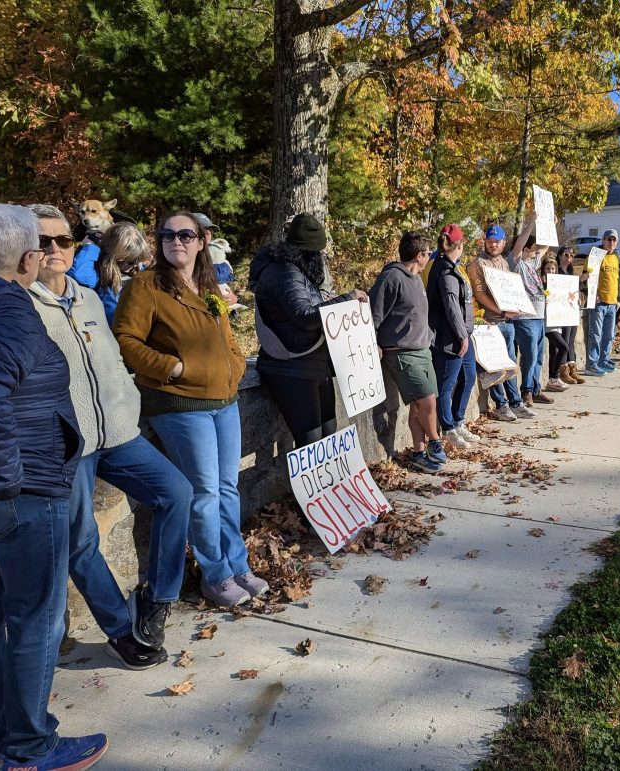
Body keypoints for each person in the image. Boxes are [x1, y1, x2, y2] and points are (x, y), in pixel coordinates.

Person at [0, 204, 108, 771]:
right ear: (29, 259)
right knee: (33, 616)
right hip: (16, 486)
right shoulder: (5, 310)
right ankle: (28, 746)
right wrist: (3, 483)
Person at [27, 203, 193, 669]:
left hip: (119, 433)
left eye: (64, 240)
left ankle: (156, 602)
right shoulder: (19, 303)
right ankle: (121, 629)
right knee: (79, 541)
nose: (56, 249)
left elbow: (114, 356)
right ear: (25, 249)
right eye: (44, 242)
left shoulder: (85, 296)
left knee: (176, 493)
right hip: (69, 445)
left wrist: (126, 400)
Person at [113, 211, 267, 608]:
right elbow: (127, 340)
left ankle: (237, 564)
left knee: (227, 488)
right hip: (180, 404)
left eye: (185, 235)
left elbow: (226, 336)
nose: (176, 241)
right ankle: (215, 575)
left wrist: (233, 366)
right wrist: (173, 367)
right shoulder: (145, 286)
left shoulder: (208, 283)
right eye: (167, 235)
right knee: (204, 492)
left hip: (223, 401)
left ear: (201, 241)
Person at [249, 213, 367, 449]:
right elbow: (304, 317)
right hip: (291, 368)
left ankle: (328, 486)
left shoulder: (294, 270)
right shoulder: (284, 273)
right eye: (319, 252)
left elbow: (305, 308)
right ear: (307, 251)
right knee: (311, 442)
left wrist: (331, 301)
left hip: (308, 364)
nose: (321, 256)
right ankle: (309, 487)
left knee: (328, 432)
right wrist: (346, 299)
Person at [370, 232, 448, 474]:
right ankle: (435, 441)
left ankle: (419, 453)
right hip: (402, 353)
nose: (430, 258)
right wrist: (373, 345)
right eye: (429, 254)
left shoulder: (415, 279)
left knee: (420, 406)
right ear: (419, 255)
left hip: (422, 349)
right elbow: (373, 315)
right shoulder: (391, 278)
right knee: (427, 403)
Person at [467, 225, 535, 421]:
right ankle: (501, 405)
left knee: (509, 364)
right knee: (494, 366)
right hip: (489, 323)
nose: (493, 244)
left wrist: (516, 306)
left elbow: (511, 289)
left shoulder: (504, 262)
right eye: (490, 241)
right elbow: (479, 295)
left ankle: (516, 402)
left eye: (497, 241)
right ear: (484, 241)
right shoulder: (478, 264)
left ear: (503, 242)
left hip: (507, 322)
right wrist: (502, 310)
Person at [426, 224, 480, 450]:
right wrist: (461, 335)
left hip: (463, 334)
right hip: (450, 338)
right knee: (446, 386)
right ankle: (448, 427)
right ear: (457, 246)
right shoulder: (444, 270)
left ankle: (458, 421)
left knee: (468, 378)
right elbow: (451, 307)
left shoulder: (453, 267)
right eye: (462, 245)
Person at [508, 217, 553, 407]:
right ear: (525, 249)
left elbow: (546, 247)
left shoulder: (532, 264)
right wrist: (533, 222)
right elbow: (519, 243)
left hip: (538, 316)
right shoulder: (516, 262)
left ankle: (535, 389)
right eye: (533, 248)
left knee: (539, 356)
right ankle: (526, 390)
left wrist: (549, 224)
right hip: (524, 317)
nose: (537, 252)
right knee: (530, 355)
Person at [94, 221, 152, 325]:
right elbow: (80, 275)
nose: (135, 265)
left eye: (138, 259)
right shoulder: (101, 274)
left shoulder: (141, 272)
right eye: (130, 261)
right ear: (114, 258)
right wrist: (90, 246)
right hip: (113, 331)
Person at [582, 229, 620, 376]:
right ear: (603, 240)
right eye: (609, 239)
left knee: (609, 335)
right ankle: (591, 364)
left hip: (612, 303)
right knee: (595, 334)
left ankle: (603, 360)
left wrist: (618, 299)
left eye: (614, 240)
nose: (611, 242)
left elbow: (616, 280)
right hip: (599, 302)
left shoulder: (615, 258)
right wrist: (592, 294)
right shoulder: (595, 255)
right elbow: (587, 276)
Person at [539, 258, 573, 389]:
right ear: (543, 270)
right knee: (564, 347)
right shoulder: (540, 284)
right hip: (547, 323)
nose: (550, 271)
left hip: (557, 320)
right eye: (548, 269)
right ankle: (554, 377)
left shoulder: (560, 285)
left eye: (553, 269)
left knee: (555, 351)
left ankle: (552, 380)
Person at [555, 246, 584, 383]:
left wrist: (578, 296)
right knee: (565, 339)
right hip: (562, 311)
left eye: (571, 255)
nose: (568, 257)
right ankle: (564, 369)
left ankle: (573, 368)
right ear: (560, 256)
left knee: (571, 339)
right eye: (566, 254)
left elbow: (574, 290)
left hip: (572, 309)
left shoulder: (572, 272)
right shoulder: (557, 271)